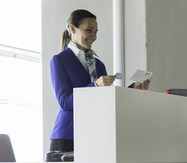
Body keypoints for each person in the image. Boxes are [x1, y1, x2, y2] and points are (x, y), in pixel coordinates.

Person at [49, 9, 150, 154]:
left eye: (96, 32)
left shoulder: (98, 64)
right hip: (68, 135)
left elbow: (107, 101)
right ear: (72, 28)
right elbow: (65, 102)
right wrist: (95, 85)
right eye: (89, 30)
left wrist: (134, 87)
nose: (94, 36)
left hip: (94, 135)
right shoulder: (59, 61)